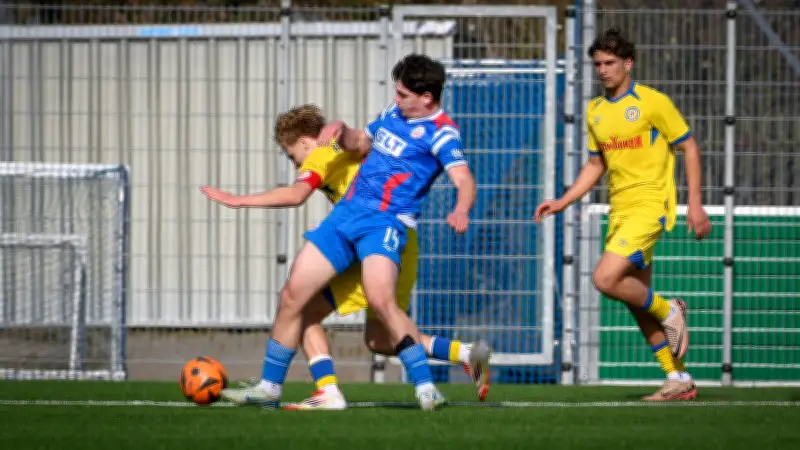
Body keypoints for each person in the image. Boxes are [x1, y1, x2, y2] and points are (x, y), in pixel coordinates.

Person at [201, 100, 487, 411]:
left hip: (376, 239)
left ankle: (324, 391)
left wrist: (239, 200)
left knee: (303, 311)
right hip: (395, 239)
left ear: (304, 141)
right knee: (378, 339)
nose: (296, 164)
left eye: (291, 154)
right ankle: (464, 353)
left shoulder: (322, 153)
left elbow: (296, 194)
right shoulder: (345, 149)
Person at [534, 27, 712, 401]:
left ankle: (671, 309)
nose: (602, 70)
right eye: (597, 64)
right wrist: (563, 201)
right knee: (636, 299)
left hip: (650, 206)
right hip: (620, 210)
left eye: (610, 63)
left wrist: (695, 202)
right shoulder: (596, 111)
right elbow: (596, 164)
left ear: (628, 63)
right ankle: (677, 379)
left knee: (604, 278)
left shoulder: (652, 102)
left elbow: (690, 148)